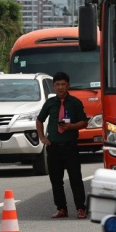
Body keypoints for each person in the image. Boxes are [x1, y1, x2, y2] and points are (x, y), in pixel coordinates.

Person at [36, 71, 89, 219]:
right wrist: (42, 137)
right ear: (53, 86)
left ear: (68, 86)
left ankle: (80, 208)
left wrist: (71, 126)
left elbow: (84, 122)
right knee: (56, 180)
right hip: (54, 147)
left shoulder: (75, 103)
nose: (60, 87)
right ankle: (61, 208)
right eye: (57, 84)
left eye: (63, 84)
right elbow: (39, 120)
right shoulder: (50, 103)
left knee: (75, 179)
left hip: (70, 146)